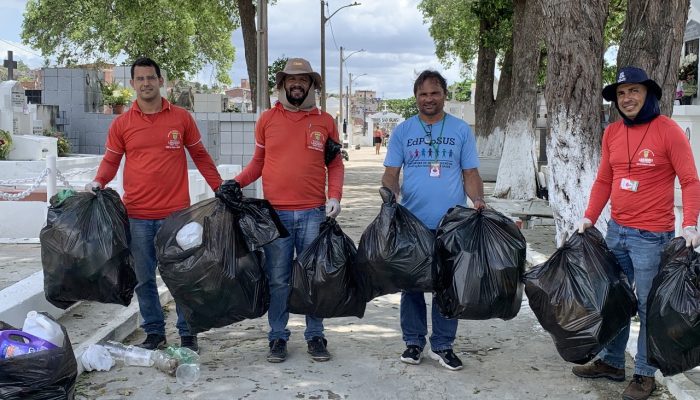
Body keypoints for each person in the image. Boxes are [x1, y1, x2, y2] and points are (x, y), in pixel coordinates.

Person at [575, 66, 700, 400]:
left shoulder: (668, 131)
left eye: (634, 91)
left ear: (649, 94)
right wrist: (589, 216)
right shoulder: (612, 132)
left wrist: (690, 224)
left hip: (651, 236)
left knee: (646, 307)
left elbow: (690, 180)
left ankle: (645, 374)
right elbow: (604, 180)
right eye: (621, 93)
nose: (627, 99)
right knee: (614, 299)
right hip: (616, 231)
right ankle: (613, 362)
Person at [87, 57, 223, 353]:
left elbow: (200, 156)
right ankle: (154, 332)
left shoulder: (181, 118)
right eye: (140, 79)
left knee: (183, 277)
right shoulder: (122, 123)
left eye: (151, 78)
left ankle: (188, 333)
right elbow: (111, 161)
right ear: (133, 84)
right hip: (136, 217)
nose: (146, 83)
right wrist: (99, 182)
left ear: (161, 81)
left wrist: (220, 188)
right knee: (144, 279)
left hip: (176, 217)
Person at [231, 57, 344, 363]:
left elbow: (334, 164)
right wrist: (236, 183)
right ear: (281, 85)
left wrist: (334, 195)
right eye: (291, 80)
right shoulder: (267, 119)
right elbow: (258, 163)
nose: (296, 85)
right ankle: (278, 337)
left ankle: (315, 335)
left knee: (313, 278)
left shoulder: (325, 121)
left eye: (303, 80)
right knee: (278, 279)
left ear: (311, 85)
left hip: (313, 213)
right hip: (275, 216)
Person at [382, 70, 485, 371]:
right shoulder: (403, 131)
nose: (429, 99)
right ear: (416, 97)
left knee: (446, 286)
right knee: (411, 285)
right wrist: (389, 198)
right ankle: (414, 343)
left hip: (451, 225)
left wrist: (478, 200)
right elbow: (391, 172)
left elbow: (470, 173)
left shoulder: (460, 130)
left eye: (435, 93)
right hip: (412, 223)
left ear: (444, 95)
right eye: (423, 94)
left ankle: (443, 345)